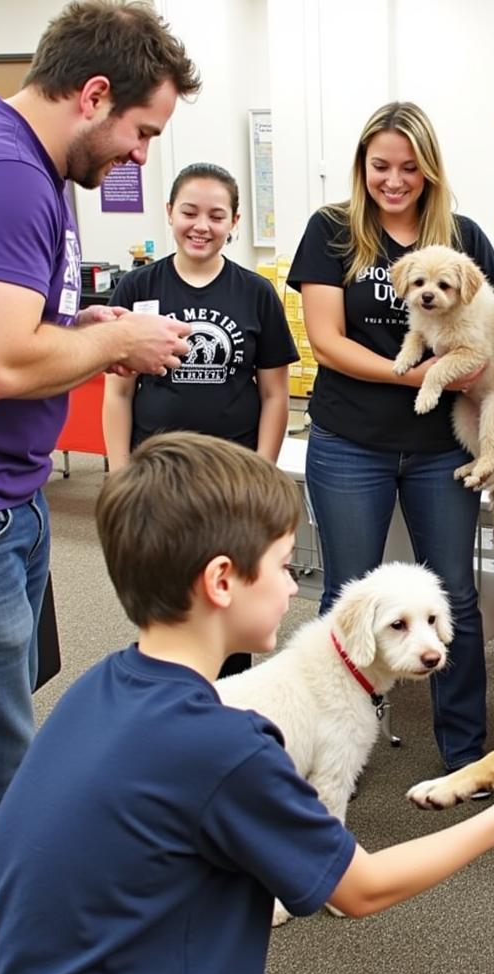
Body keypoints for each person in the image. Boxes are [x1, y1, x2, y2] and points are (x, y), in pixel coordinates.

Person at [0, 432, 494, 974]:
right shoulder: (227, 749)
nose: (295, 588)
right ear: (222, 580)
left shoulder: (98, 686)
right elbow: (362, 890)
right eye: (287, 565)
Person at [0, 0, 199, 974]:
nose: (137, 155)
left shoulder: (16, 158)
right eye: (141, 131)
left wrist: (81, 321)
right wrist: (116, 339)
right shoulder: (2, 168)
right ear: (94, 95)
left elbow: (12, 320)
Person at [287, 101, 494, 778]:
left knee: (454, 599)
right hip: (351, 439)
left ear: (430, 170)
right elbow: (326, 340)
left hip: (442, 445)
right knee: (346, 598)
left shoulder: (462, 236)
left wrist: (462, 383)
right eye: (381, 166)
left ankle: (463, 750)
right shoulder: (330, 230)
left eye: (409, 167)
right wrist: (413, 372)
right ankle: (334, 746)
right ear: (362, 167)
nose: (394, 179)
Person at [102, 161, 297, 675]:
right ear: (169, 213)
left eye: (216, 215)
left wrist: (263, 471)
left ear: (234, 222)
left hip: (231, 482)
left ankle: (227, 718)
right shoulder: (136, 287)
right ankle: (170, 715)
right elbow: (118, 392)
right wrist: (119, 474)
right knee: (165, 606)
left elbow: (275, 394)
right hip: (159, 478)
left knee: (231, 604)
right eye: (189, 211)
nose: (201, 225)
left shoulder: (255, 292)